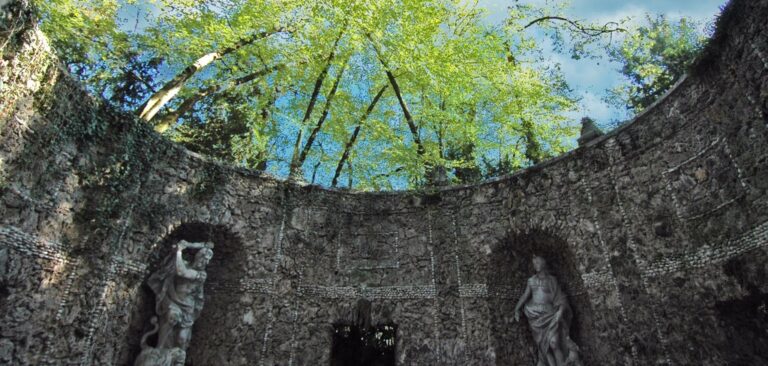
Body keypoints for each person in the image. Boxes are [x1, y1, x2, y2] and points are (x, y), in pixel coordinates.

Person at [514, 255, 582, 366]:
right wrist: (516, 309)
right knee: (544, 347)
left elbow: (560, 298)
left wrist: (560, 311)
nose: (535, 265)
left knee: (554, 343)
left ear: (543, 263)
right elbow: (525, 296)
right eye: (534, 263)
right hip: (536, 317)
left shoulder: (552, 280)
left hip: (550, 314)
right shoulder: (531, 281)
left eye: (537, 263)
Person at [147, 240, 213, 350]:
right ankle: (159, 351)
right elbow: (175, 266)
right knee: (172, 318)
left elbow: (182, 272)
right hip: (173, 302)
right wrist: (179, 249)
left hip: (188, 308)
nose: (204, 263)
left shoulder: (202, 275)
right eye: (203, 259)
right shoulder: (185, 264)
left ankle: (177, 359)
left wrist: (179, 251)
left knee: (182, 339)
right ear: (197, 257)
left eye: (206, 262)